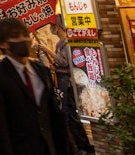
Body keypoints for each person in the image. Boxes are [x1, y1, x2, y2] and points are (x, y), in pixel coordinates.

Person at [0, 17, 68, 155]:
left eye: (25, 34)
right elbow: (1, 126)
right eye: (16, 36)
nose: (24, 40)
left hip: (49, 147)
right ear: (3, 44)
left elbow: (54, 114)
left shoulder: (42, 71)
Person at [37, 19, 95, 154]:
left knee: (70, 114)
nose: (51, 29)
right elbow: (58, 64)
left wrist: (47, 50)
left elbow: (64, 62)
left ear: (57, 27)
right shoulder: (59, 44)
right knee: (67, 114)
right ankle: (78, 144)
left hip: (68, 82)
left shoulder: (68, 44)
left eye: (52, 26)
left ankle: (83, 145)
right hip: (62, 80)